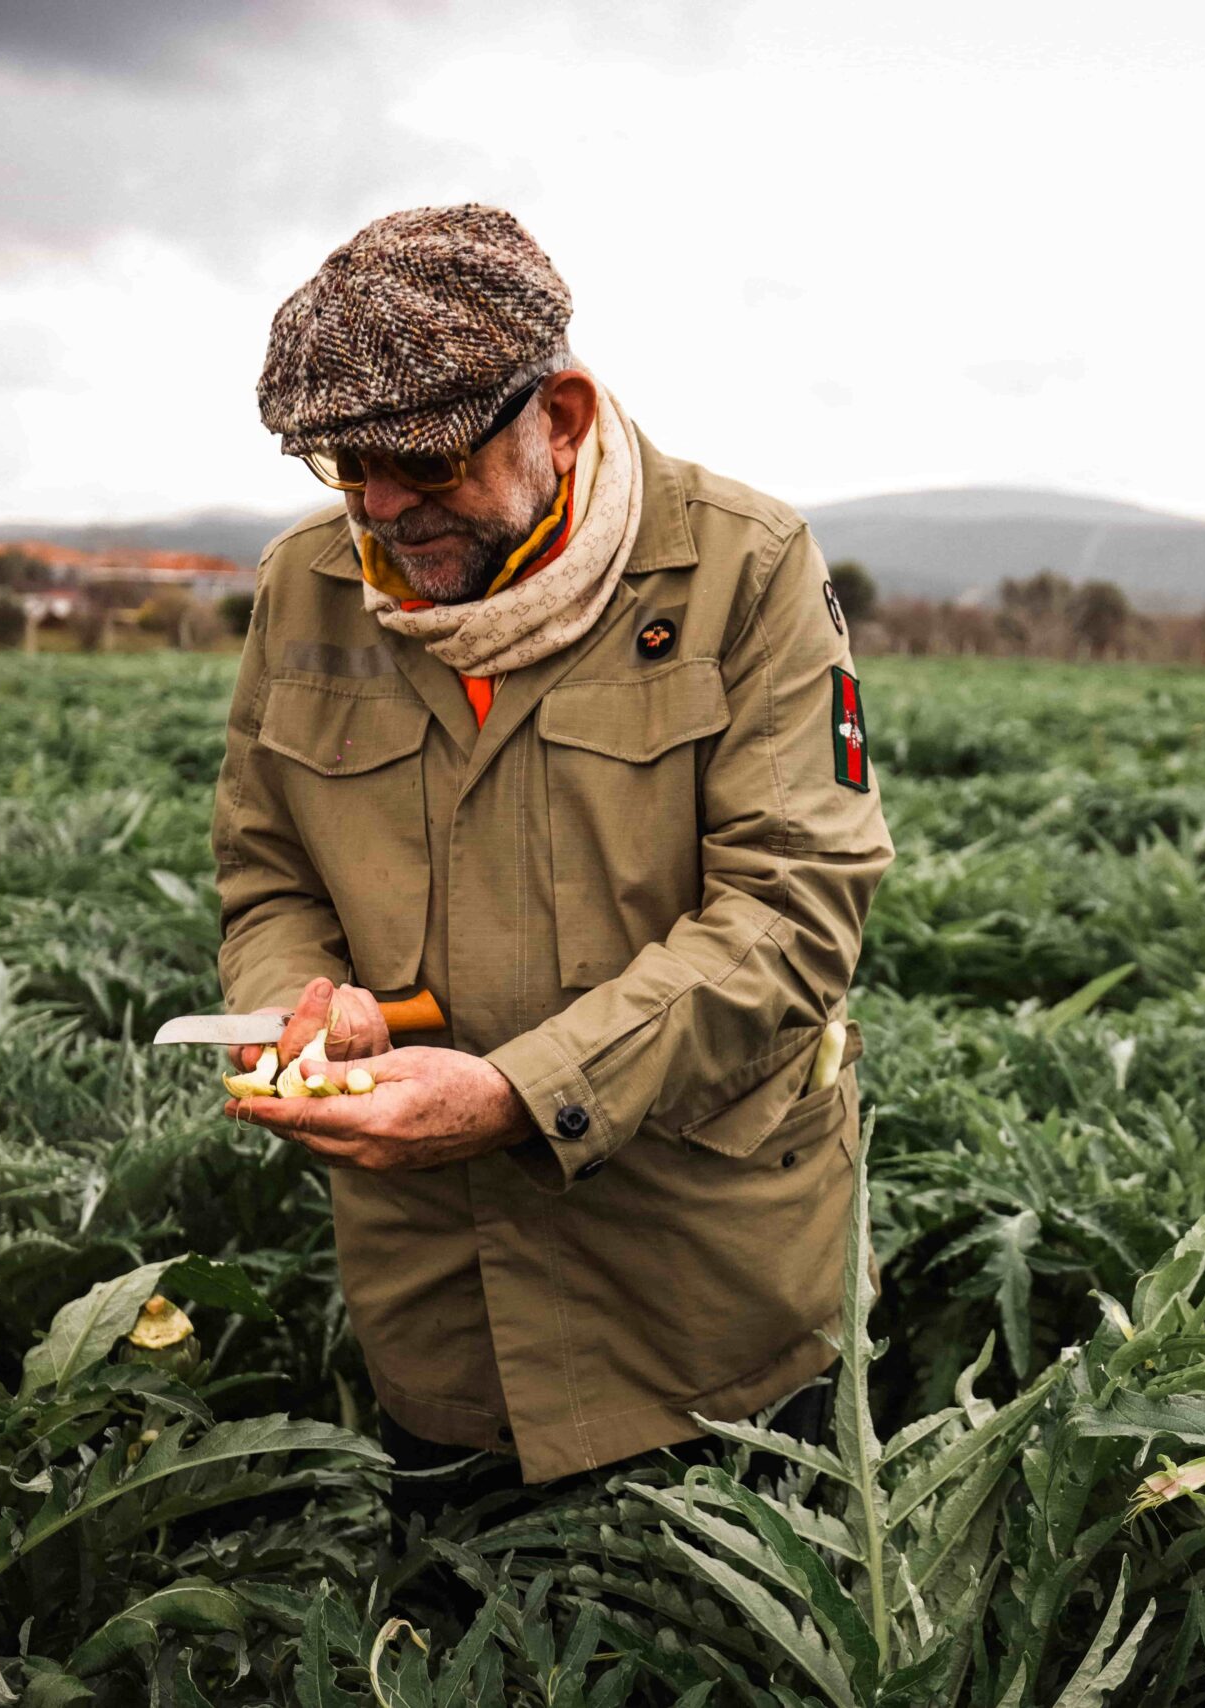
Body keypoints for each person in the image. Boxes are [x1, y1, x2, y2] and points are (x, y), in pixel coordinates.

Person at [211, 204, 894, 1482]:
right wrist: (294, 1010)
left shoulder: (743, 570)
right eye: (345, 469)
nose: (382, 510)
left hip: (709, 1295)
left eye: (425, 465)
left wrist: (521, 1094)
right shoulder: (304, 585)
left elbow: (792, 911)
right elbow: (269, 874)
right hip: (439, 1300)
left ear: (562, 416)